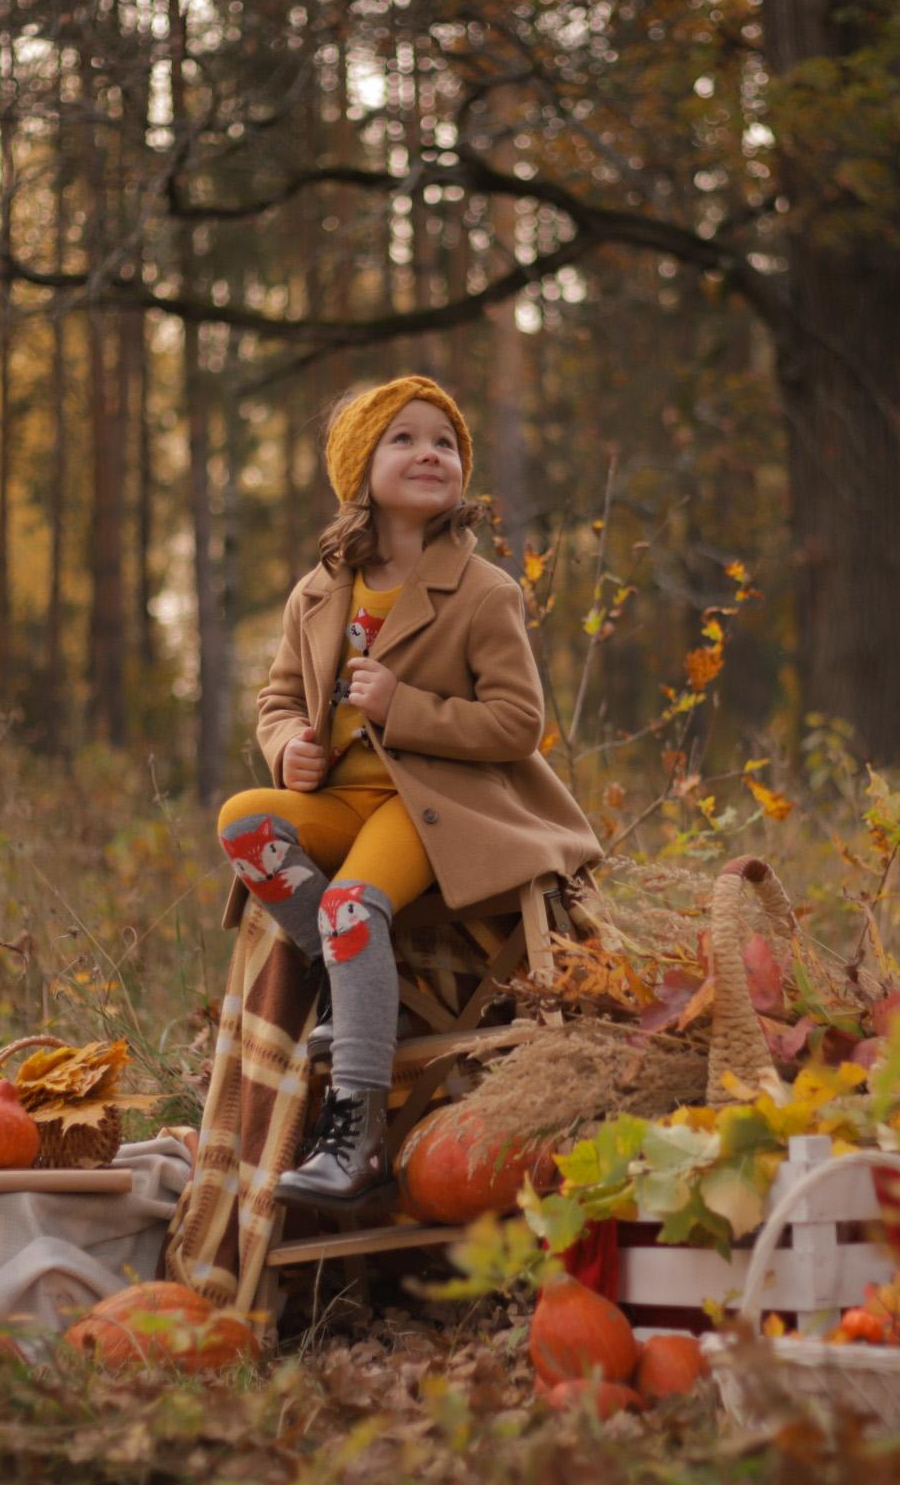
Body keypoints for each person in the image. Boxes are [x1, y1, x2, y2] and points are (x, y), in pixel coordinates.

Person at [214, 375, 603, 1211]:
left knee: (352, 901)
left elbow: (516, 724)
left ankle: (355, 1140)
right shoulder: (318, 592)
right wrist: (289, 750)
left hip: (435, 807)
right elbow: (277, 700)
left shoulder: (483, 591)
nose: (431, 453)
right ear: (361, 470)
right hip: (343, 801)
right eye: (405, 438)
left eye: (446, 442)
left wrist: (406, 709)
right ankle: (341, 976)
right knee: (244, 823)